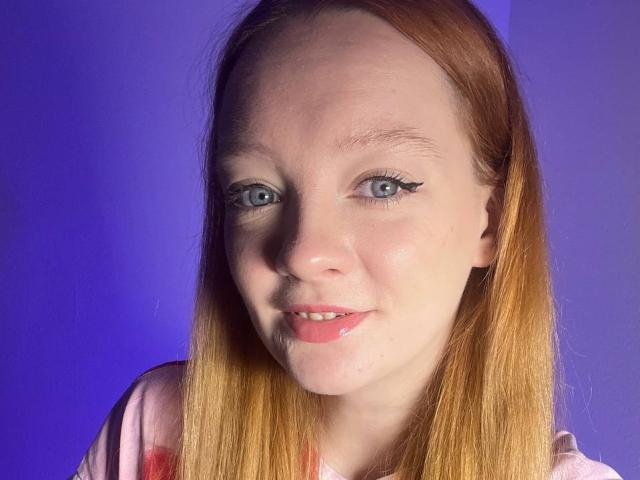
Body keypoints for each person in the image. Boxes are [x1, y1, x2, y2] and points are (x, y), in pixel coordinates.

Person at [70, 1, 624, 479]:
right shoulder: (154, 432)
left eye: (382, 186)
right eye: (257, 194)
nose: (303, 254)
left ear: (491, 222)